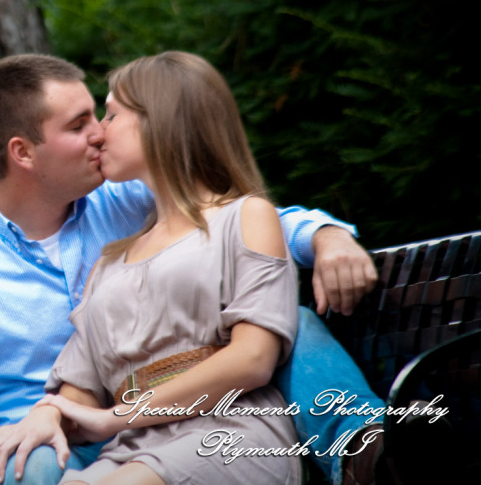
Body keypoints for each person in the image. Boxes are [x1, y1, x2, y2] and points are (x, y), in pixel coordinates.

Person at [0, 54, 385, 485]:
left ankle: (372, 452)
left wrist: (327, 236)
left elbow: (239, 223)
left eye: (104, 115)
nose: (99, 132)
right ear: (23, 152)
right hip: (54, 447)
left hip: (173, 421)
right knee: (33, 463)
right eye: (79, 125)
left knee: (289, 323)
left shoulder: (126, 196)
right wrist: (3, 436)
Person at [35, 50, 301, 484]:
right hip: (133, 450)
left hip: (227, 435)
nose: (98, 135)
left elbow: (253, 359)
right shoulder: (110, 261)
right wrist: (47, 415)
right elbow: (80, 384)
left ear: (157, 120)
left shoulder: (244, 217)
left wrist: (118, 416)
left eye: (111, 115)